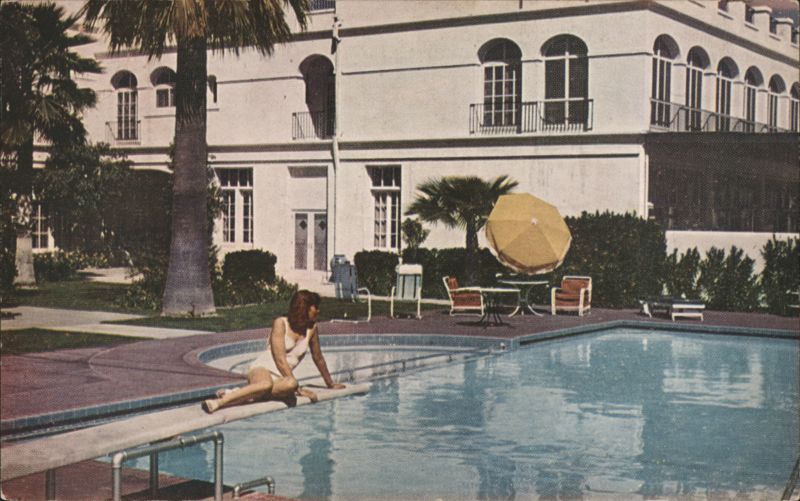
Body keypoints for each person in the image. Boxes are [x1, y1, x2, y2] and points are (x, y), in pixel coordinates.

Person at [203, 290, 345, 413]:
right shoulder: (281, 323)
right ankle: (219, 403)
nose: (318, 311)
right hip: (263, 369)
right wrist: (298, 389)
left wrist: (330, 384)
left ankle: (242, 393)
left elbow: (318, 358)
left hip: (283, 379)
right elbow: (280, 360)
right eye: (316, 307)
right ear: (305, 308)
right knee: (268, 385)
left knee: (289, 385)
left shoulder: (312, 329)